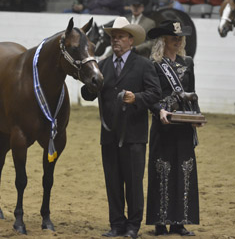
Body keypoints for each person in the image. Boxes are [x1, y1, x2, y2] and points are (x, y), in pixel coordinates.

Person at [81, 17, 161, 239]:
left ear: (131, 40)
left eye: (120, 37)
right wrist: (88, 86)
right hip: (109, 134)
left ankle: (133, 226)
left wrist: (136, 97)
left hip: (134, 134)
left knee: (134, 183)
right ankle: (116, 224)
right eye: (113, 37)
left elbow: (155, 94)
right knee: (113, 182)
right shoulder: (102, 65)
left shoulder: (144, 64)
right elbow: (89, 94)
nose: (115, 40)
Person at [145, 20, 202, 236]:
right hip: (164, 125)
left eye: (180, 38)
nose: (178, 41)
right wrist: (160, 109)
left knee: (183, 170)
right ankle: (160, 222)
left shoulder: (188, 62)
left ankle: (179, 222)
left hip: (184, 126)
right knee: (162, 170)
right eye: (173, 38)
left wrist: (196, 115)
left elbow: (192, 92)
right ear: (164, 41)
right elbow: (152, 96)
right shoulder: (153, 65)